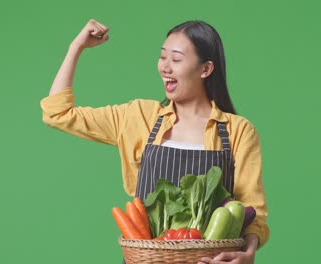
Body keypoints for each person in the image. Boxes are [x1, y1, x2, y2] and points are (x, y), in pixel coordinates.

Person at [41, 19, 269, 263]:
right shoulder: (138, 117)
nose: (165, 67)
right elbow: (57, 114)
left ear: (205, 69)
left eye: (177, 59)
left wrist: (248, 253)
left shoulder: (238, 131)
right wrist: (76, 47)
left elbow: (252, 209)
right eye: (163, 57)